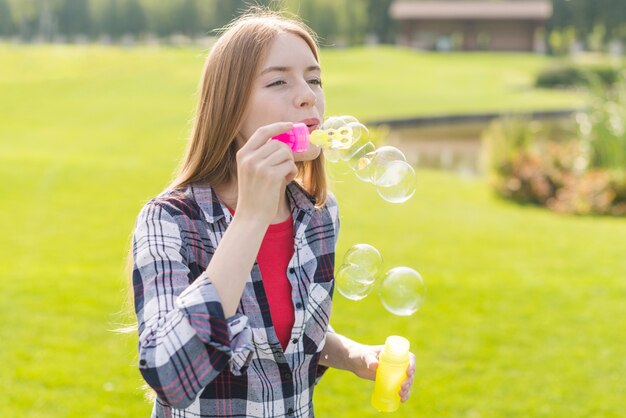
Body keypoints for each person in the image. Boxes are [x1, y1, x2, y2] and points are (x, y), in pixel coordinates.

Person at [130, 9, 415, 417]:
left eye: (314, 79)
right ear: (230, 107)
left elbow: (286, 334)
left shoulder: (318, 215)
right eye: (279, 81)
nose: (307, 96)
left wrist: (351, 354)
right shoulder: (170, 221)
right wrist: (250, 218)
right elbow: (169, 375)